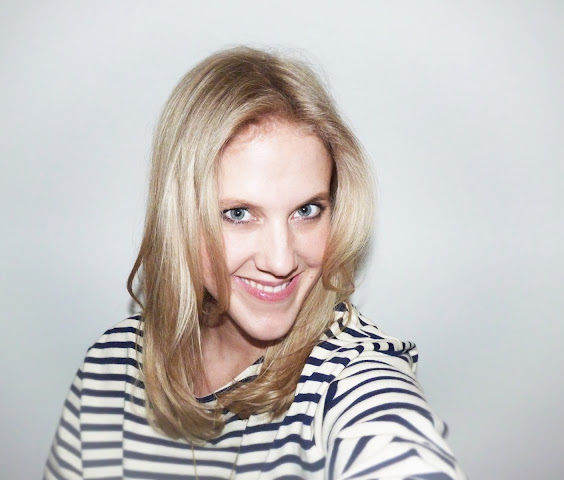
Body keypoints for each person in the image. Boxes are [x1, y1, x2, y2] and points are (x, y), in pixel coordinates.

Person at [44, 46, 465, 479]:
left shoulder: (352, 378)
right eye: (239, 214)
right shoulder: (111, 366)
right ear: (180, 217)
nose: (281, 261)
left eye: (307, 211)